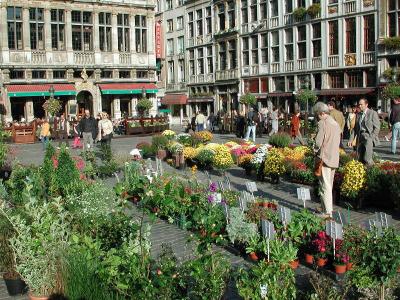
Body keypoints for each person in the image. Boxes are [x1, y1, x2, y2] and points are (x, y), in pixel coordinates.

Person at [313, 102, 341, 218]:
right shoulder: (335, 123)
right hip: (334, 157)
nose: (317, 117)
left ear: (322, 113)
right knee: (329, 184)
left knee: (325, 185)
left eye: (317, 115)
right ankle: (325, 207)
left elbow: (318, 142)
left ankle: (327, 212)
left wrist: (313, 149)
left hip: (324, 158)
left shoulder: (323, 123)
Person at [348, 98, 380, 165]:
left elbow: (377, 128)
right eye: (359, 104)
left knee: (367, 158)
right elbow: (355, 129)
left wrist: (371, 138)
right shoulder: (358, 114)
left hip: (368, 136)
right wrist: (351, 139)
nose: (359, 106)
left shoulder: (372, 113)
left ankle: (373, 172)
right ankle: (362, 173)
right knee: (359, 158)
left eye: (361, 104)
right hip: (360, 137)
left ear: (366, 105)